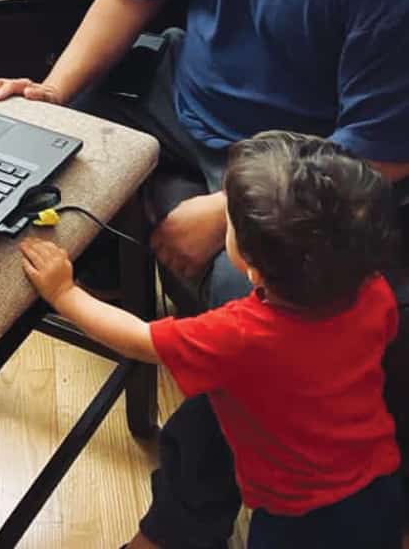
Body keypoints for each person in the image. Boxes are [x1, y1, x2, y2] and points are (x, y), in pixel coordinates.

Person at [0, 0, 409, 547]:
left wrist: (223, 215)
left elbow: (382, 152)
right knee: (17, 131)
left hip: (302, 169)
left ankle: (182, 524)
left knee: (246, 302)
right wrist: (55, 91)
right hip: (182, 102)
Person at [20, 133, 403, 549]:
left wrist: (64, 294)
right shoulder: (375, 292)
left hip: (296, 516)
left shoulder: (236, 335)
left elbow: (137, 338)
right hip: (377, 483)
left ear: (252, 271)